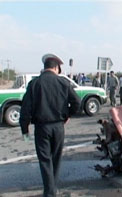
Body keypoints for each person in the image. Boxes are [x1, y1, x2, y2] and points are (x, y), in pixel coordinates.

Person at [20, 54, 81, 197]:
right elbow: (77, 102)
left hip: (41, 128)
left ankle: (50, 191)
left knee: (45, 160)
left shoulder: (35, 84)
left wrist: (25, 130)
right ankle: (52, 190)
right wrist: (67, 115)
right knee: (55, 158)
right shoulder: (63, 83)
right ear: (56, 67)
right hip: (58, 127)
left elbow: (25, 109)